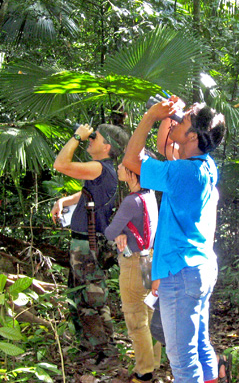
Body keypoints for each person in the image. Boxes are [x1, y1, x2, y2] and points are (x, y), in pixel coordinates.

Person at [123, 96, 226, 383]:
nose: (181, 119)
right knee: (201, 346)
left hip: (180, 272)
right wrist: (171, 116)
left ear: (192, 136)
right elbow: (165, 147)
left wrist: (150, 118)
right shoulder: (204, 166)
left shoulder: (182, 172)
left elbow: (132, 160)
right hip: (200, 268)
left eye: (186, 120)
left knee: (182, 361)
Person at [50, 123, 129, 351]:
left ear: (107, 147)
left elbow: (60, 164)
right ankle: (98, 344)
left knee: (88, 300)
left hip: (87, 244)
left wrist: (77, 136)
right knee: (86, 295)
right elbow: (88, 193)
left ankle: (100, 349)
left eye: (95, 137)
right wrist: (65, 200)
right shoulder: (103, 170)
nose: (90, 140)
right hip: (84, 242)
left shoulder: (100, 168)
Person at [104, 157, 161, 382]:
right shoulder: (150, 195)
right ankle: (153, 362)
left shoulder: (130, 201)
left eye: (121, 166)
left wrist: (118, 234)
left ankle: (144, 371)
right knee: (148, 313)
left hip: (133, 264)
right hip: (150, 259)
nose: (118, 168)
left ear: (131, 173)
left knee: (136, 320)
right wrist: (123, 233)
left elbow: (109, 232)